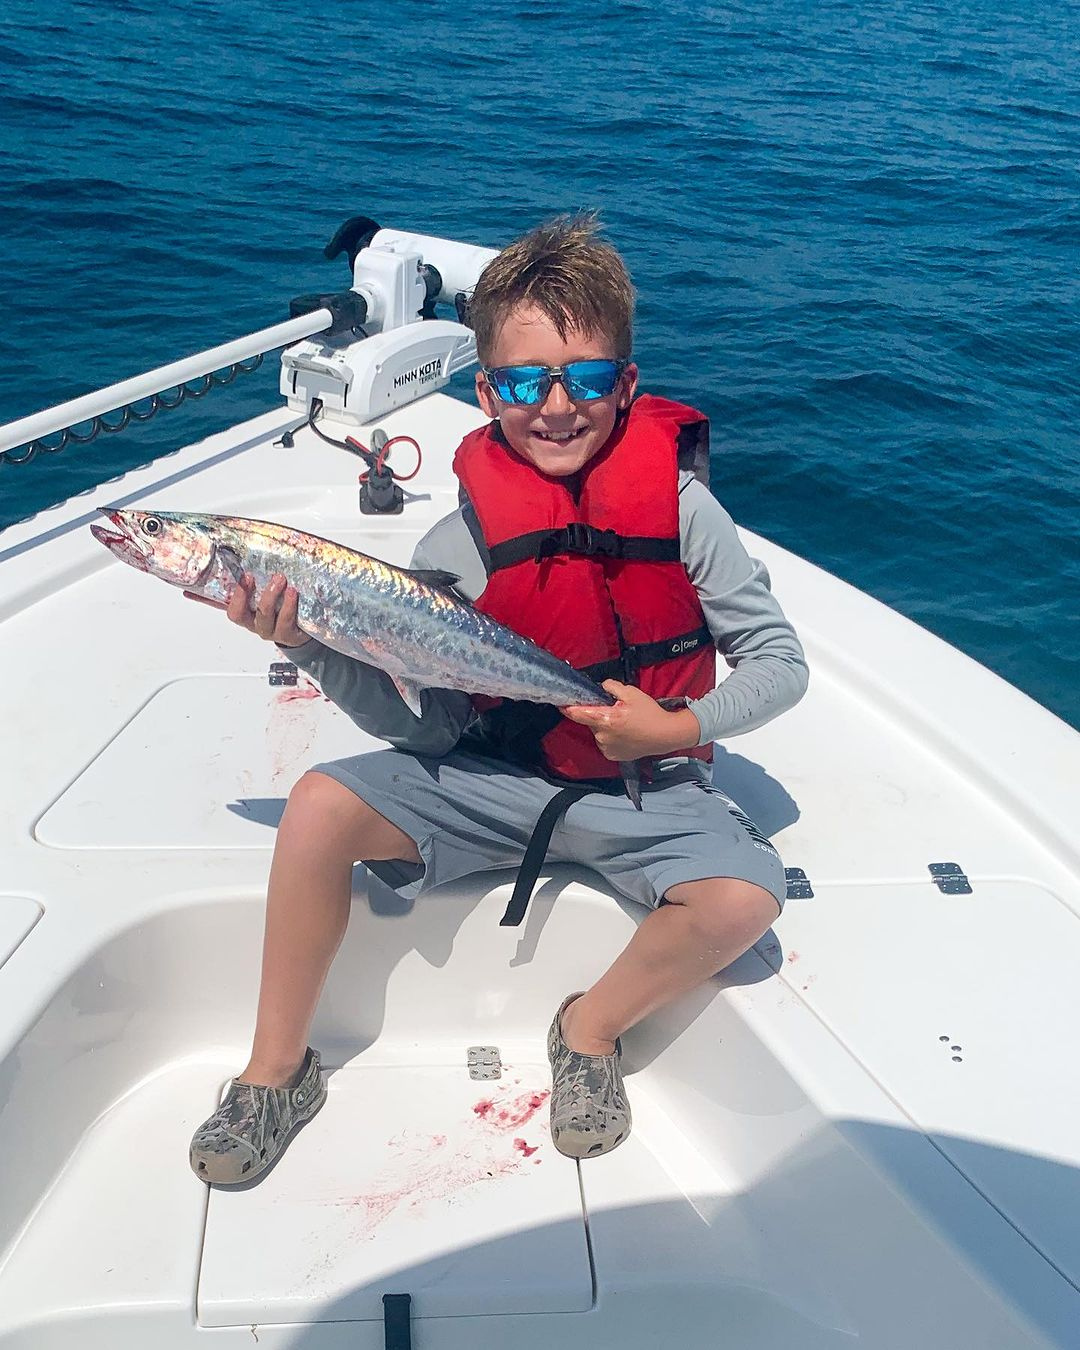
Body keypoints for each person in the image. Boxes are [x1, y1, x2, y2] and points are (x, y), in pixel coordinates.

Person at [188, 215, 808, 1185]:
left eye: (588, 380)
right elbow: (421, 723)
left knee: (746, 897)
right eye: (525, 383)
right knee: (316, 809)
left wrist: (675, 726)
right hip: (497, 777)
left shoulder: (685, 512)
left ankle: (589, 1031)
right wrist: (307, 640)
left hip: (650, 788)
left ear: (627, 386)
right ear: (487, 392)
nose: (557, 407)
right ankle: (277, 1072)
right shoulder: (456, 550)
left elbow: (780, 662)